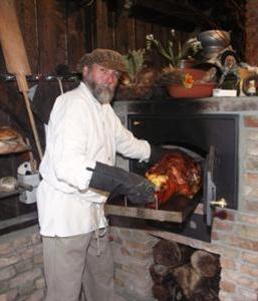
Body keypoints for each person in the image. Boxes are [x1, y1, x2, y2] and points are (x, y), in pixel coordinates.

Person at [36, 48, 164, 301]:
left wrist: (160, 154)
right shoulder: (71, 105)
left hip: (94, 215)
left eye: (115, 74)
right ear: (86, 72)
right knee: (64, 293)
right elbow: (68, 165)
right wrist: (123, 180)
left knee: (102, 284)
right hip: (66, 215)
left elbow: (126, 142)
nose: (109, 78)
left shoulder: (103, 108)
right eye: (103, 71)